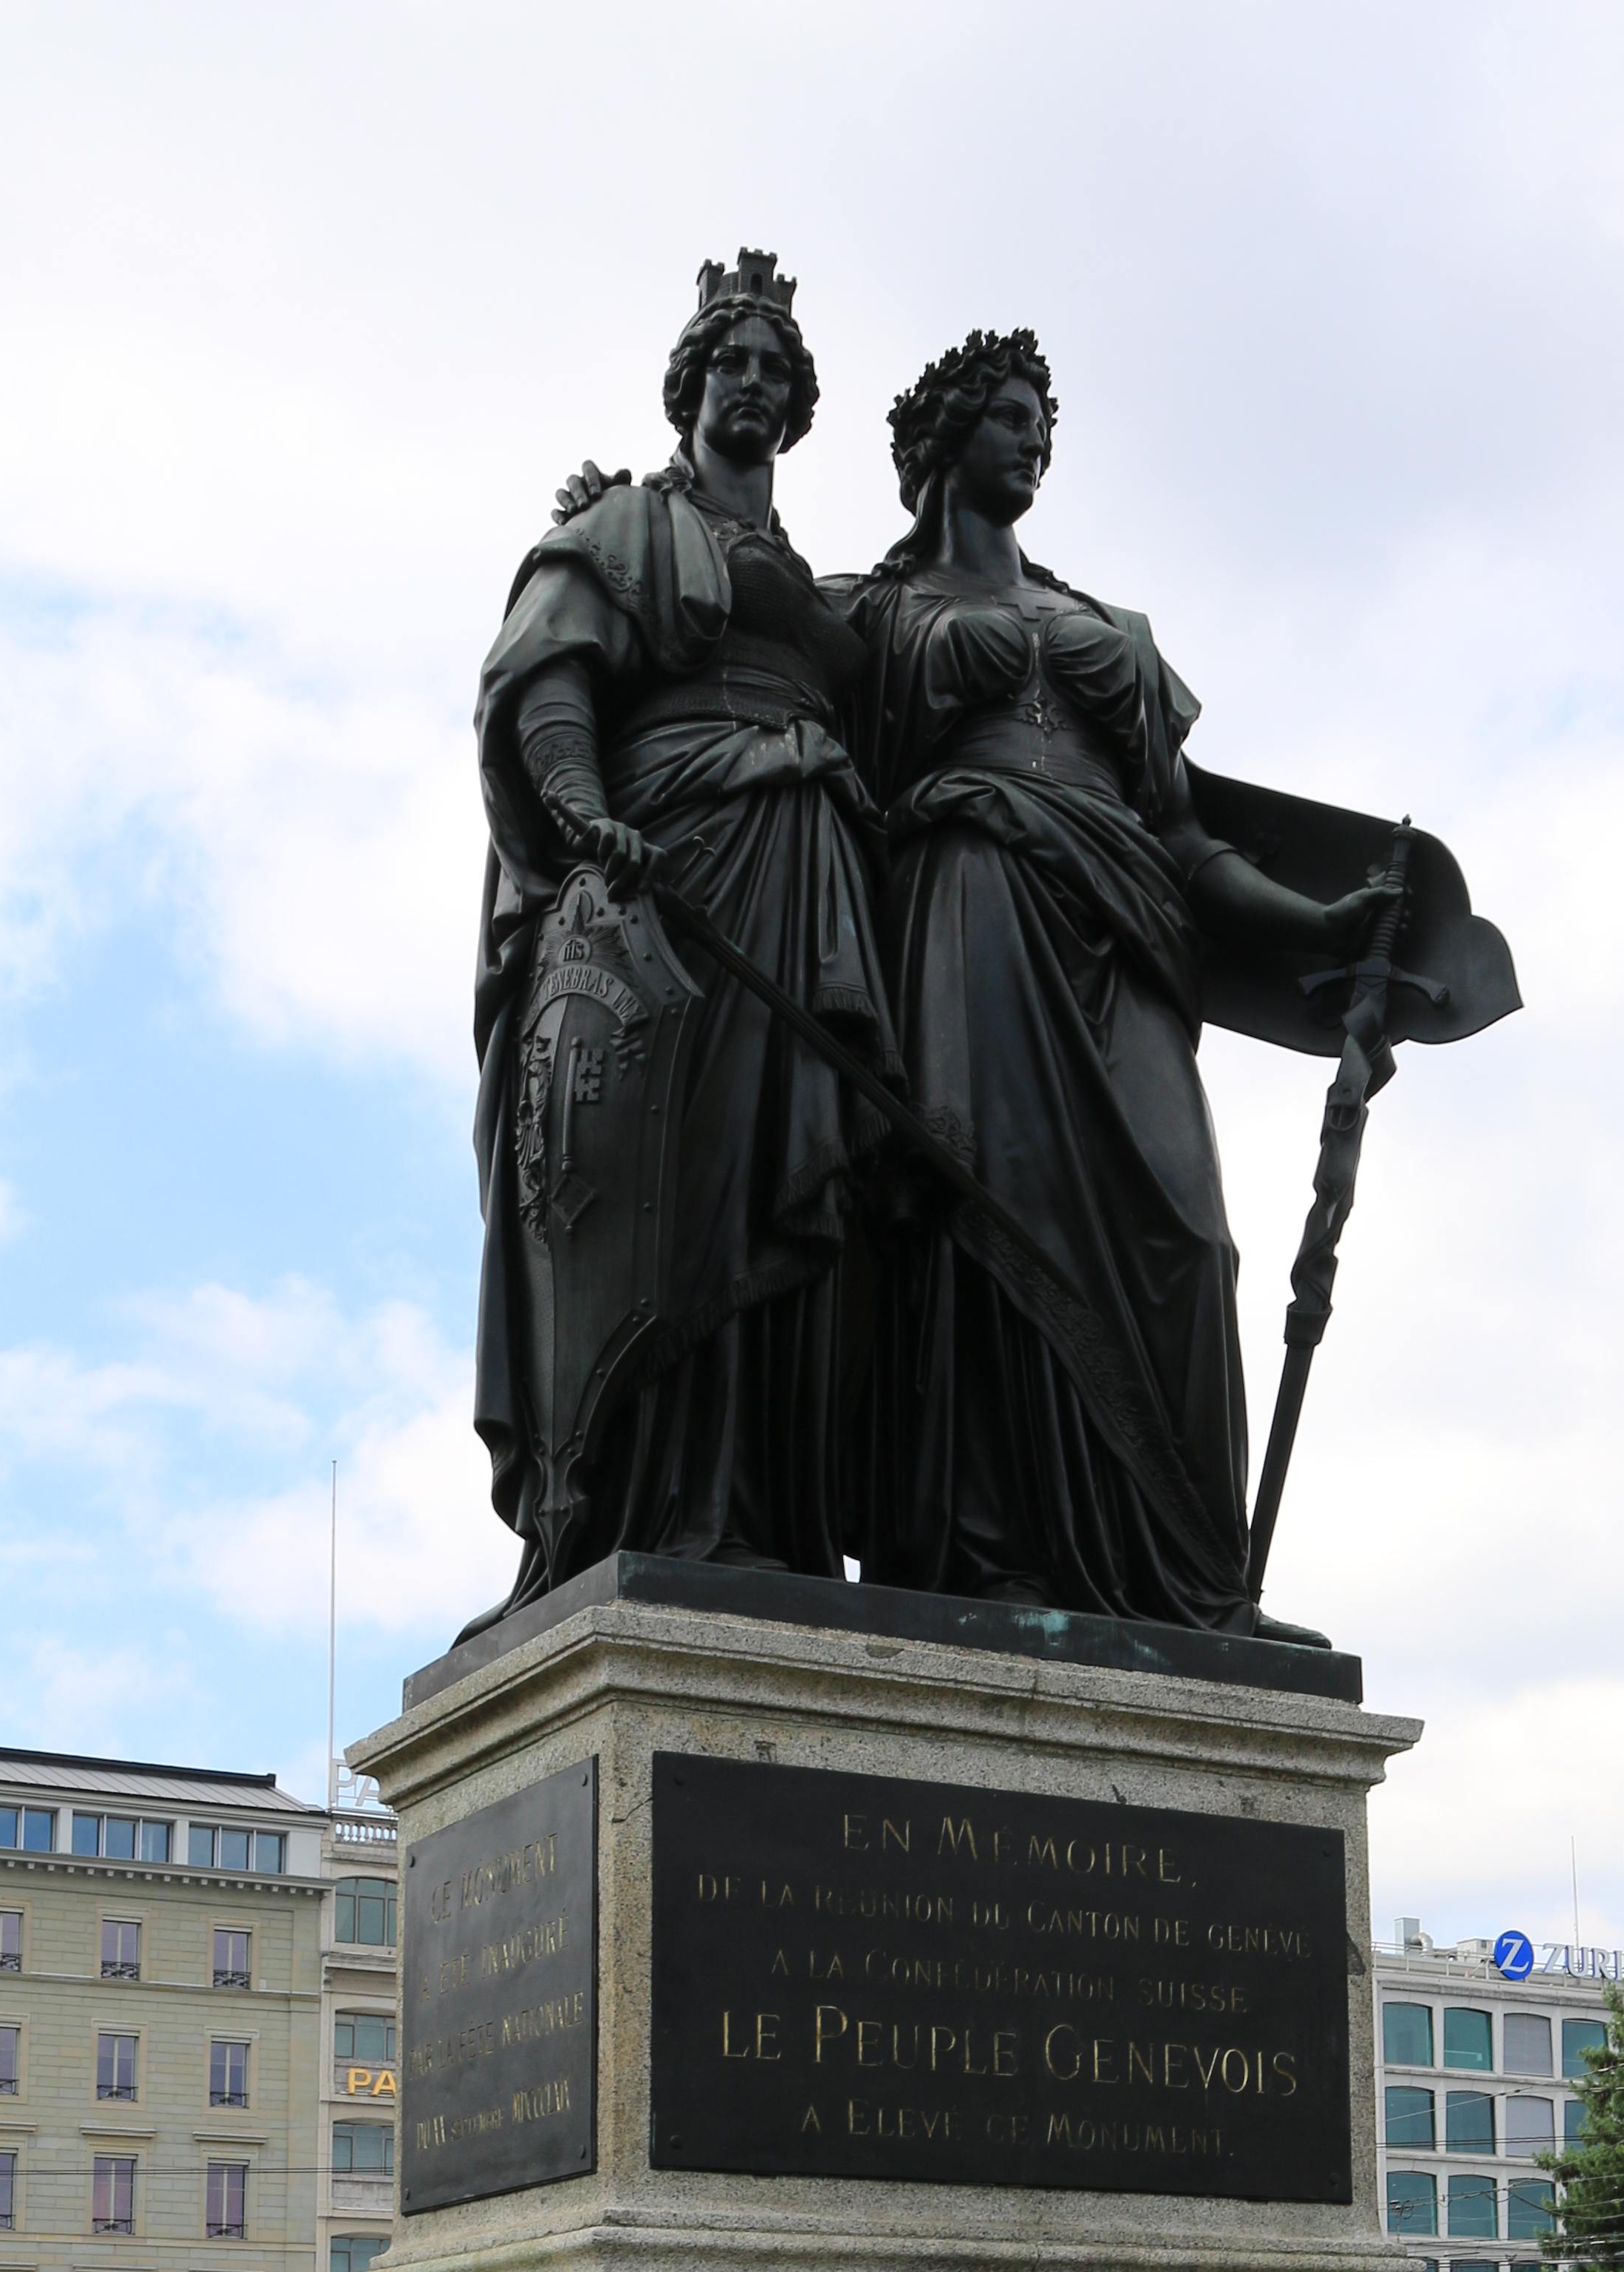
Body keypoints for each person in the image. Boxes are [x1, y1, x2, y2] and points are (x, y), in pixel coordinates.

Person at [841, 330, 1385, 1633]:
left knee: (1191, 1243)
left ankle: (1190, 1580)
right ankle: (987, 1557)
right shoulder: (866, 611)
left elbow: (1185, 837)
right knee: (987, 1208)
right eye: (1012, 415)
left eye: (1046, 421)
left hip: (1124, 924)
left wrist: (1317, 920)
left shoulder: (1106, 630)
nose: (1036, 437)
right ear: (947, 439)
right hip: (970, 900)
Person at [466, 254, 890, 1607]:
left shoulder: (821, 585)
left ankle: (763, 1512)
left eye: (776, 370)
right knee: (680, 1185)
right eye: (731, 364)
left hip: (809, 885)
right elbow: (549, 678)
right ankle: (654, 1498)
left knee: (787, 1178)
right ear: (690, 389)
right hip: (678, 880)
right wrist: (587, 816)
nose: (752, 384)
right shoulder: (632, 528)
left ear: (799, 408)